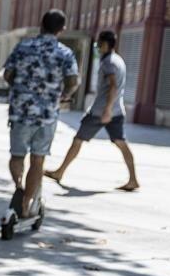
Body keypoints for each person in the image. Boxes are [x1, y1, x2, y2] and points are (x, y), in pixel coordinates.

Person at [2, 9, 79, 218]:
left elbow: (8, 73)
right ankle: (27, 203)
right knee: (38, 160)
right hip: (47, 115)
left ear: (41, 25)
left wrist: (19, 89)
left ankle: (18, 188)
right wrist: (62, 95)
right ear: (62, 29)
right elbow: (73, 81)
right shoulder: (65, 53)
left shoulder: (23, 46)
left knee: (17, 155)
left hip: (20, 111)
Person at [45, 30, 139, 191]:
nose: (97, 47)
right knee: (122, 144)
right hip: (117, 110)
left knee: (78, 139)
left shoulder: (109, 62)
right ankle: (133, 179)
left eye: (99, 44)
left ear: (106, 44)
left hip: (101, 111)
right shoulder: (119, 60)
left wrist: (107, 110)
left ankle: (60, 172)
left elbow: (113, 86)